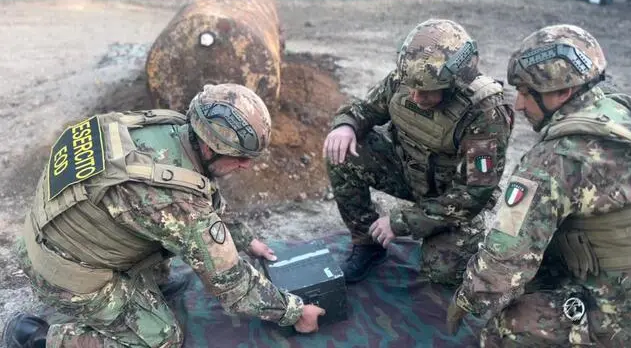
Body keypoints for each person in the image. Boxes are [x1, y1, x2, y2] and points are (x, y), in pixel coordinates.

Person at [2, 83, 325, 348]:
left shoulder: (170, 127)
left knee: (172, 249)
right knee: (162, 339)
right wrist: (294, 312)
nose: (246, 167)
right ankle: (36, 339)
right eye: (240, 158)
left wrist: (244, 239)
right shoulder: (173, 202)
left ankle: (140, 286)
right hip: (63, 273)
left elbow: (203, 194)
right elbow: (234, 286)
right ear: (211, 149)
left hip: (57, 233)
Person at [446, 24, 631, 347]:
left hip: (625, 318)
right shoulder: (625, 114)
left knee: (508, 325)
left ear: (561, 92)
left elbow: (502, 265)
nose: (519, 105)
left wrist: (466, 300)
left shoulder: (555, 158)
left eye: (525, 92)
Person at [323, 19, 514, 285]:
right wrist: (346, 125)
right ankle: (367, 244)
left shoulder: (485, 114)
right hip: (407, 171)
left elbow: (473, 195)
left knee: (443, 271)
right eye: (410, 87)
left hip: (450, 199)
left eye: (425, 92)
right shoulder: (411, 78)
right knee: (342, 151)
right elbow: (365, 108)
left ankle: (458, 244)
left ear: (454, 85)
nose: (414, 96)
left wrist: (401, 222)